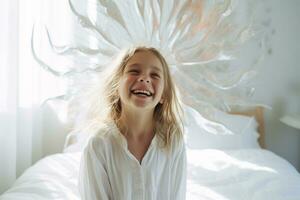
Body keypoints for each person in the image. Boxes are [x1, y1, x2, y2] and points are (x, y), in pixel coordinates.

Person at [78, 46, 187, 200]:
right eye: (134, 71)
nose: (144, 78)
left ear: (163, 95)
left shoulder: (173, 141)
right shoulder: (98, 145)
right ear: (117, 86)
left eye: (155, 75)